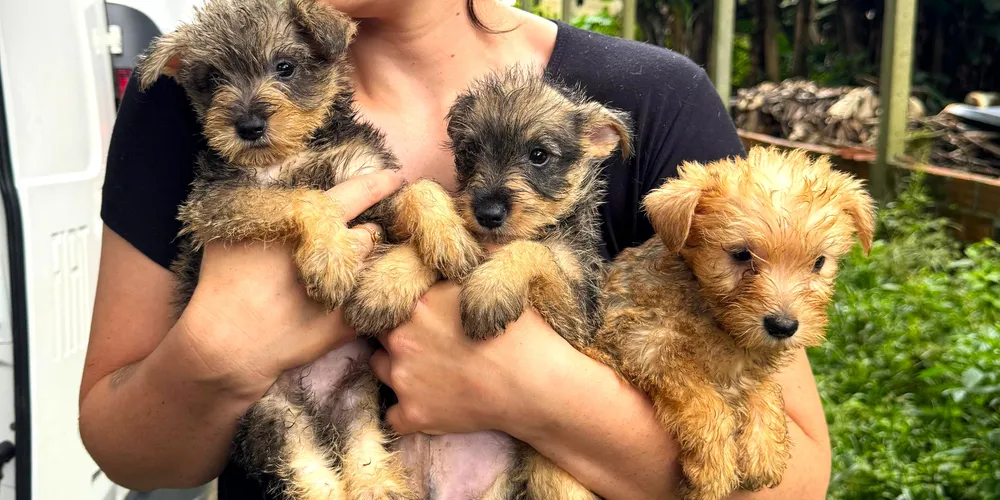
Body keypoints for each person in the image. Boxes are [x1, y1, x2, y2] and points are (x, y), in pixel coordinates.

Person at [79, 1, 832, 498]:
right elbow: (127, 450)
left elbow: (792, 479)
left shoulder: (653, 100)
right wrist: (215, 350)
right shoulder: (198, 93)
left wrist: (539, 391)